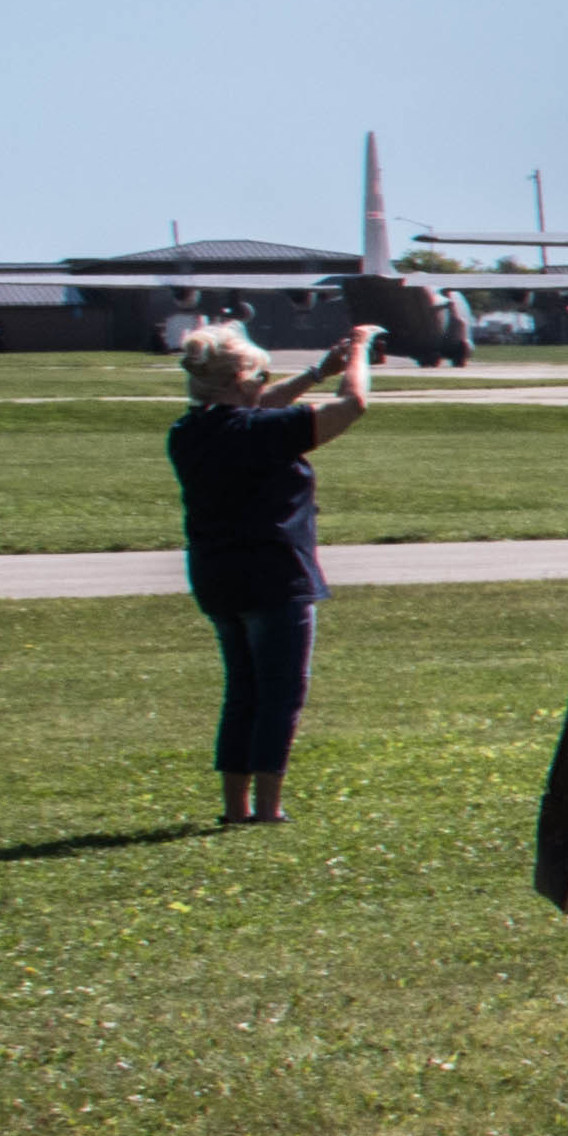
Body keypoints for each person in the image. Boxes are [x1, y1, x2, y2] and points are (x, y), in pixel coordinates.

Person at [168, 314, 373, 823]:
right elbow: (352, 407)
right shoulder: (261, 432)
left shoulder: (189, 432)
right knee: (280, 693)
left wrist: (314, 373)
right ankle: (268, 809)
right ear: (243, 381)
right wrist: (360, 353)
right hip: (274, 573)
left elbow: (258, 409)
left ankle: (235, 807)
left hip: (217, 575)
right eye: (260, 376)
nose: (265, 385)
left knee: (243, 691)